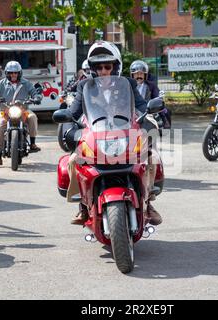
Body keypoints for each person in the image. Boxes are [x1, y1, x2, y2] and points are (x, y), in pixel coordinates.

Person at [66, 40, 162, 226]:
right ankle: (83, 207)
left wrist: (148, 119)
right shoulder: (84, 86)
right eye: (99, 67)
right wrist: (67, 117)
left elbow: (142, 107)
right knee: (72, 161)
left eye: (107, 66)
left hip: (124, 132)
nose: (103, 71)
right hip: (96, 134)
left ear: (115, 66)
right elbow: (75, 111)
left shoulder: (128, 83)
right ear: (93, 69)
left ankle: (148, 202)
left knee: (151, 156)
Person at [0, 61, 43, 165]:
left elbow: (34, 93)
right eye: (11, 73)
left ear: (19, 73)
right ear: (7, 73)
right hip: (6, 111)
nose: (13, 75)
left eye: (16, 73)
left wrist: (37, 97)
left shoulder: (26, 83)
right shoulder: (1, 84)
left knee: (33, 117)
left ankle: (33, 143)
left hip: (23, 110)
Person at [130, 60, 171, 128]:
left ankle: (165, 122)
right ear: (132, 75)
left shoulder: (150, 85)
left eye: (141, 74)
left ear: (145, 75)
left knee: (165, 110)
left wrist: (158, 98)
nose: (139, 76)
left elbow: (157, 96)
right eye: (136, 74)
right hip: (131, 111)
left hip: (147, 111)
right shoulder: (128, 85)